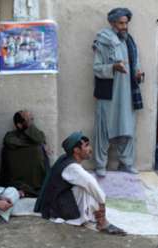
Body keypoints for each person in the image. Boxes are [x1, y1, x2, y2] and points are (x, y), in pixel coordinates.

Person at [35, 132, 126, 235]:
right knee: (87, 188)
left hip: (54, 201)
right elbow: (91, 184)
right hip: (56, 207)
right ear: (76, 150)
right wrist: (102, 204)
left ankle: (96, 216)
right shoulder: (73, 168)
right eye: (86, 146)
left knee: (85, 186)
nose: (90, 149)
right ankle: (102, 221)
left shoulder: (65, 157)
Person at [92, 7, 144, 177]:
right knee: (104, 129)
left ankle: (127, 163)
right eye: (121, 23)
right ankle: (100, 165)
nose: (124, 26)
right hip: (109, 93)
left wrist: (137, 73)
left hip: (127, 93)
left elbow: (134, 63)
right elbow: (97, 68)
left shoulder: (129, 41)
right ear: (112, 23)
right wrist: (114, 67)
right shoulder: (103, 41)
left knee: (127, 128)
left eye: (126, 23)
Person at [0, 110, 48, 196]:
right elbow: (9, 141)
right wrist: (37, 144)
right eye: (29, 120)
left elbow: (40, 138)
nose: (32, 123)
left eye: (32, 120)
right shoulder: (11, 137)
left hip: (35, 186)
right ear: (19, 124)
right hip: (15, 185)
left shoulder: (36, 138)